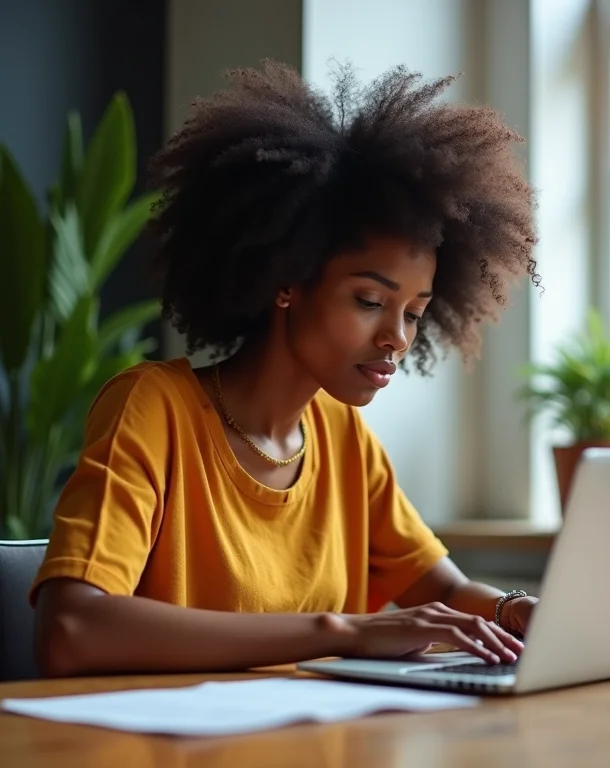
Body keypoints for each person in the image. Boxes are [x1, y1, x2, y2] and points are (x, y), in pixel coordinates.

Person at [32, 61, 540, 678]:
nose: (396, 339)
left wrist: (519, 611)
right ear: (286, 284)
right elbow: (72, 629)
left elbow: (445, 592)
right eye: (370, 301)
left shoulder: (344, 437)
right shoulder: (152, 409)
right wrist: (342, 631)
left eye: (413, 313)